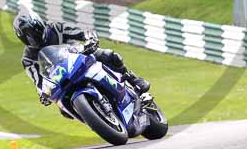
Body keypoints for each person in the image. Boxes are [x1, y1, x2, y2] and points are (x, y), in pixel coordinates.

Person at [13, 13, 150, 108]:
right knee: (63, 109)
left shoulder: (56, 28)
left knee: (108, 55)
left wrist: (89, 39)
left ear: (40, 25)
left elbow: (81, 32)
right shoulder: (28, 58)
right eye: (27, 37)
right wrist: (43, 93)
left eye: (33, 33)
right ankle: (96, 117)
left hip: (78, 57)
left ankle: (133, 79)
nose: (32, 39)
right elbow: (38, 81)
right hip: (61, 78)